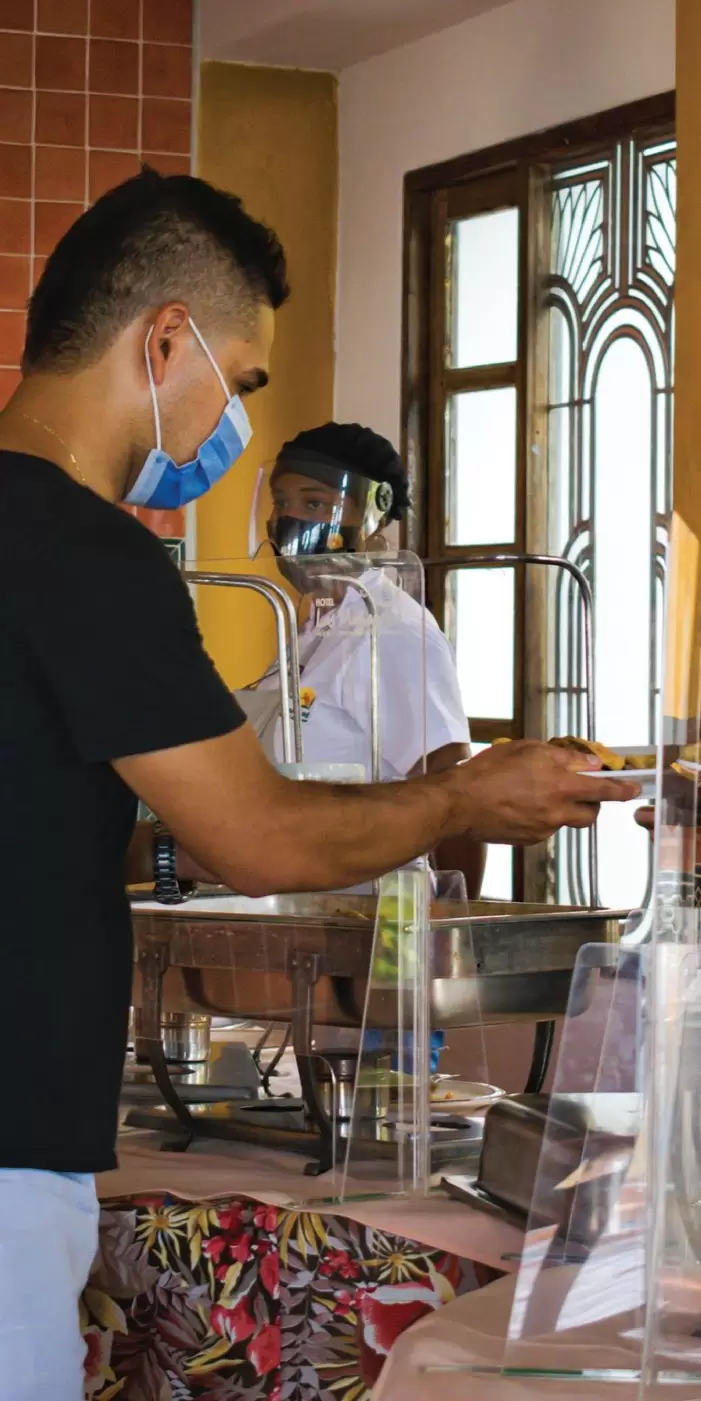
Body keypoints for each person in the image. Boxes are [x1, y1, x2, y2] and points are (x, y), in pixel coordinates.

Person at [0, 167, 637, 1400]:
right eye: (240, 383)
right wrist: (465, 800)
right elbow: (266, 840)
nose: (229, 426)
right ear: (165, 341)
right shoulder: (88, 554)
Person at [242, 419, 485, 894]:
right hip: (302, 905)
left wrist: (454, 923)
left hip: (374, 917)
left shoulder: (391, 631)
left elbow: (456, 794)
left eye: (314, 504)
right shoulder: (314, 628)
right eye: (281, 502)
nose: (289, 519)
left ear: (374, 515)